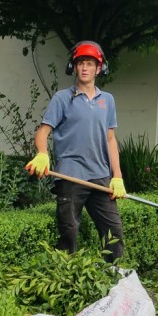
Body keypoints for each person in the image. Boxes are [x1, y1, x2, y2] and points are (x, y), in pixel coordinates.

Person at [25, 40, 126, 263]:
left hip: (100, 177)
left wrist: (117, 177)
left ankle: (114, 283)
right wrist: (42, 154)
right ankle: (66, 283)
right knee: (68, 235)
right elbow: (42, 133)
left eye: (90, 63)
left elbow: (110, 140)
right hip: (69, 176)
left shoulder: (107, 100)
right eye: (80, 63)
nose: (84, 68)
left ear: (99, 69)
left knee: (114, 236)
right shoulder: (62, 99)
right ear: (73, 67)